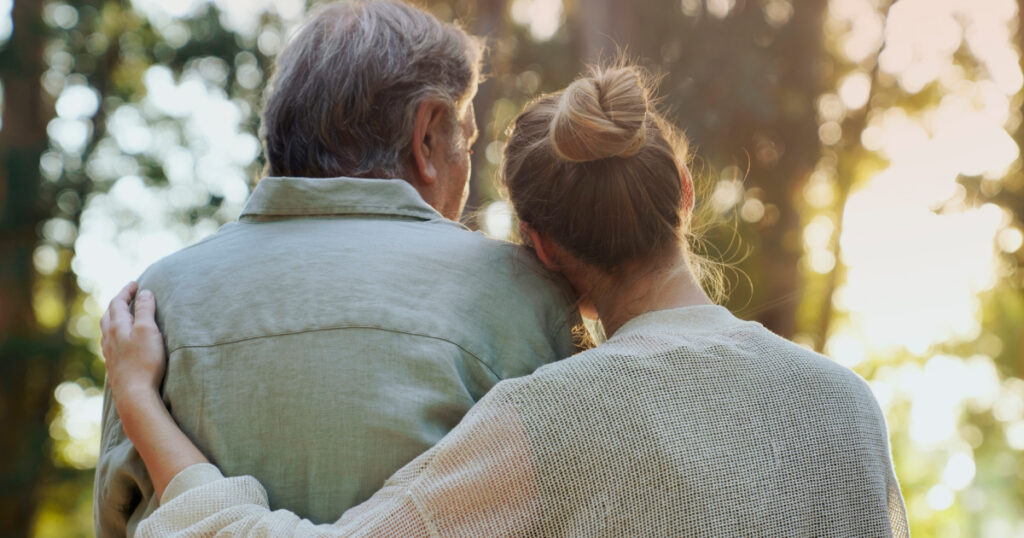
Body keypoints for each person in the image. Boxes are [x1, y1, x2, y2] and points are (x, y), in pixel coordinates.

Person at [101, 64, 910, 536]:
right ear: (686, 194)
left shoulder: (548, 422)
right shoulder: (846, 407)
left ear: (541, 248)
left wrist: (141, 397)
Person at [93, 2, 582, 536]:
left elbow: (120, 520)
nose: (467, 163)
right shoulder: (526, 295)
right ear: (426, 136)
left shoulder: (153, 306)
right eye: (466, 137)